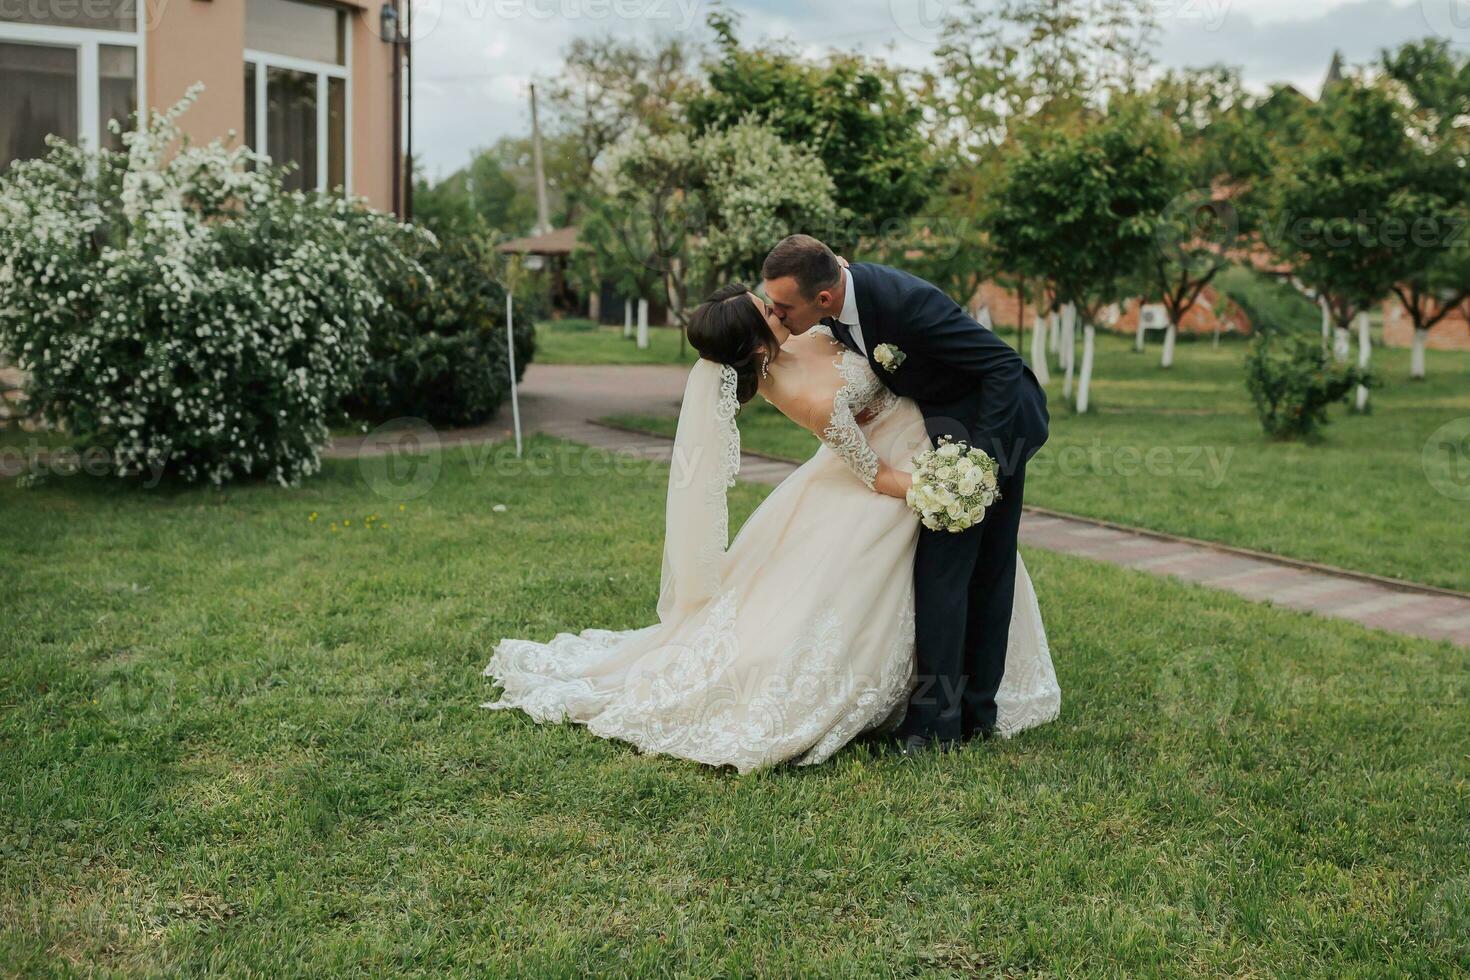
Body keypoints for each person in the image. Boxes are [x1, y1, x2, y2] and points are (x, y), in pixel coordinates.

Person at [480, 276, 1059, 773]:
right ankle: (933, 708)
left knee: (974, 570)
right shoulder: (795, 391)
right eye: (767, 310)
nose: (776, 308)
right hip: (888, 476)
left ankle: (967, 700)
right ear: (755, 342)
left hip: (933, 433)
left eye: (773, 302)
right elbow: (871, 471)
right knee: (886, 590)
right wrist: (936, 487)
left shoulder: (817, 325)